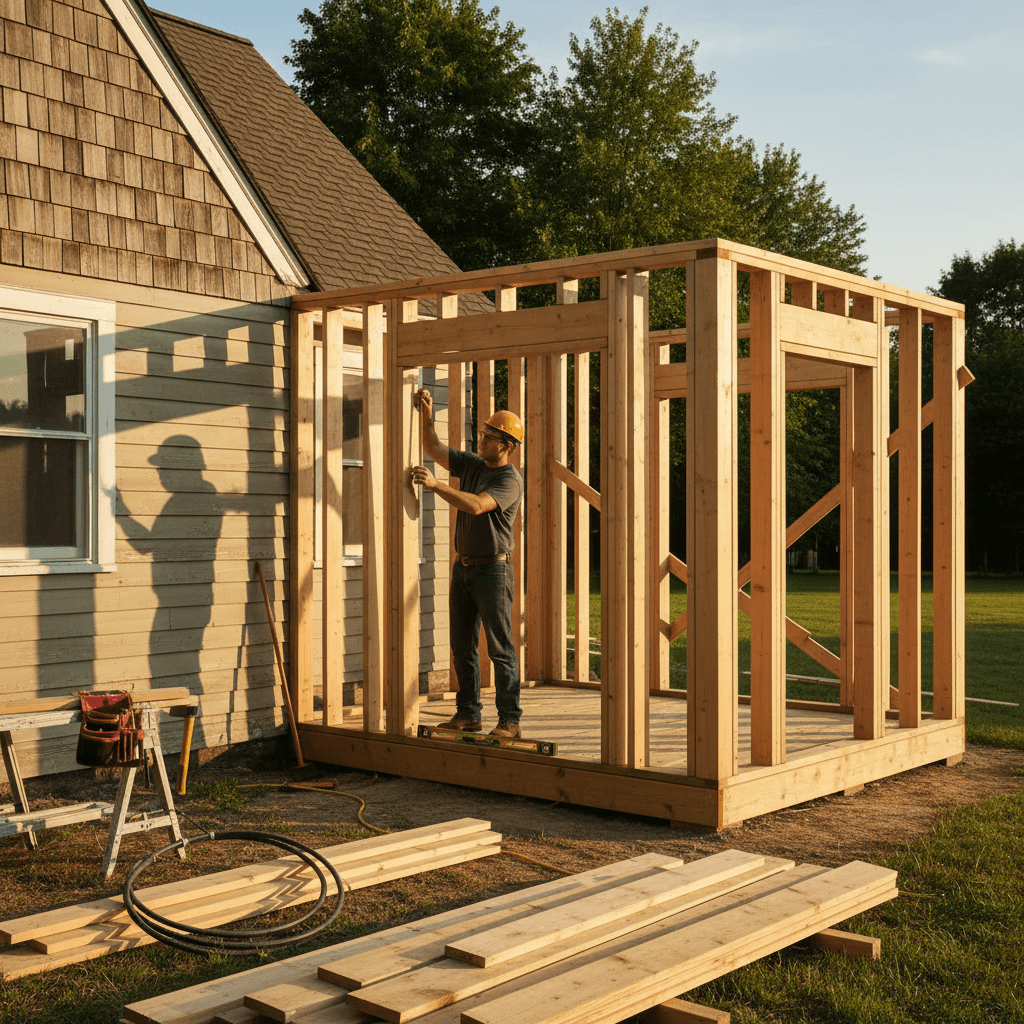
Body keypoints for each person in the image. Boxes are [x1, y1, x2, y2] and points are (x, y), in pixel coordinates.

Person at [411, 388, 525, 738]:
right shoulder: (473, 464)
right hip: (463, 567)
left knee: (500, 648)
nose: (482, 439)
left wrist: (435, 485)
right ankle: (468, 714)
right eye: (483, 433)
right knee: (461, 646)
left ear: (506, 446)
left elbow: (476, 505)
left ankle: (509, 720)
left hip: (493, 570)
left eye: (490, 437)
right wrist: (427, 415)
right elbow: (433, 447)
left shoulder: (509, 480)